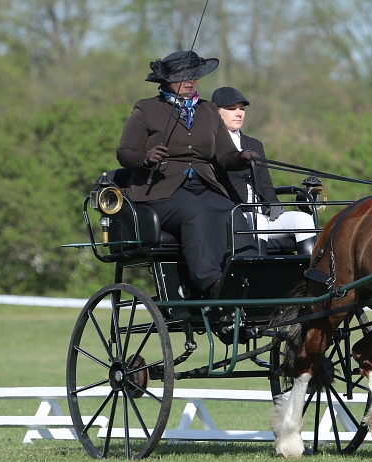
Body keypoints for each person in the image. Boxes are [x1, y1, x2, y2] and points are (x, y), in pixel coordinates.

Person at [116, 51, 259, 297]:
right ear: (167, 80)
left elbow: (224, 157)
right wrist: (145, 157)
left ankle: (251, 275)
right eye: (182, 77)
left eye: (193, 76)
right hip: (159, 191)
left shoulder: (209, 111)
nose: (190, 81)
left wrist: (242, 157)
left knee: (230, 210)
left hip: (203, 187)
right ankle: (210, 283)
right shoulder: (147, 109)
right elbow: (124, 153)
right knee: (193, 211)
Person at [210, 86, 317, 256]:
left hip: (261, 215)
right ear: (216, 112)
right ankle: (258, 276)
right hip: (232, 217)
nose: (239, 113)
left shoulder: (254, 144)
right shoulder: (211, 144)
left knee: (303, 219)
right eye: (231, 109)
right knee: (258, 220)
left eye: (242, 109)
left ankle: (308, 277)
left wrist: (274, 203)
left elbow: (265, 183)